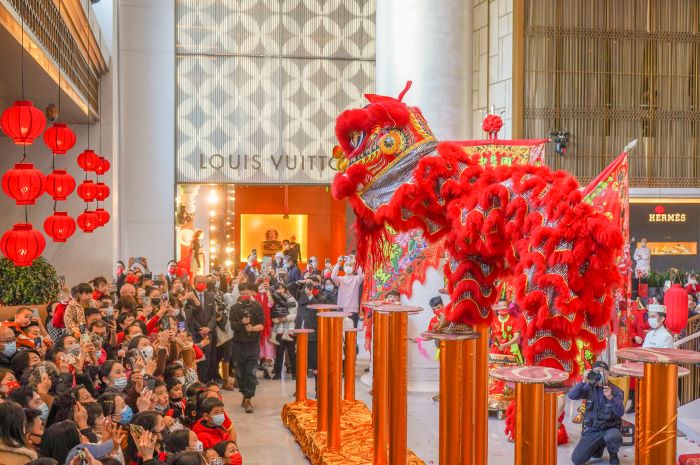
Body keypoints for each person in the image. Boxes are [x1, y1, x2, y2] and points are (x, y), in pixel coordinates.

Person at [568, 361, 624, 465]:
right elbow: (571, 395)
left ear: (608, 374)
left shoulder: (616, 391)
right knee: (577, 459)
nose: (599, 375)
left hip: (609, 429)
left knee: (613, 436)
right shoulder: (589, 388)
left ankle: (613, 453)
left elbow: (620, 412)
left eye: (602, 372)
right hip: (592, 430)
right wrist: (583, 381)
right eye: (596, 372)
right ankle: (598, 448)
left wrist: (610, 398)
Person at [229, 283, 265, 413]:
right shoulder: (234, 308)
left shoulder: (257, 307)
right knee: (240, 374)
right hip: (238, 345)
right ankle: (244, 394)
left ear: (251, 293)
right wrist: (241, 323)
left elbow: (262, 324)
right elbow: (233, 326)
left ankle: (249, 398)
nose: (245, 295)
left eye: (247, 293)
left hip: (252, 345)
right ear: (239, 293)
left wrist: (253, 328)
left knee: (251, 373)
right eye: (242, 293)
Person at [185, 275, 219, 383]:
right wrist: (200, 329)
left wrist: (208, 328)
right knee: (196, 359)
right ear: (194, 282)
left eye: (204, 282)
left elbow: (214, 315)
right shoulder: (189, 296)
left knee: (208, 359)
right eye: (199, 282)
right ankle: (196, 383)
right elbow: (190, 316)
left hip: (208, 333)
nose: (201, 284)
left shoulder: (210, 296)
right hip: (195, 332)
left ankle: (205, 382)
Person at [332, 257, 364, 327]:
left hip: (353, 309)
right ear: (343, 268)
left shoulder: (356, 279)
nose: (348, 267)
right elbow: (333, 277)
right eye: (346, 265)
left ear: (354, 268)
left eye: (350, 265)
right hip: (341, 308)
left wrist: (355, 263)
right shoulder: (340, 279)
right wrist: (338, 263)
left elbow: (362, 275)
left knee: (352, 333)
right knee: (341, 333)